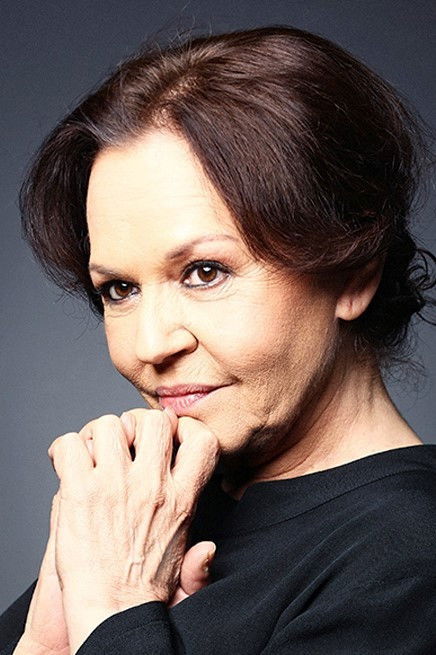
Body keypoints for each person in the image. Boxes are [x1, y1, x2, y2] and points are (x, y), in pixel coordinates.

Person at [1, 23, 436, 654]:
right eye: (119, 288)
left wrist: (114, 607)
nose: (150, 344)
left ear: (353, 273)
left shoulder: (409, 558)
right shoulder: (147, 516)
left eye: (205, 273)